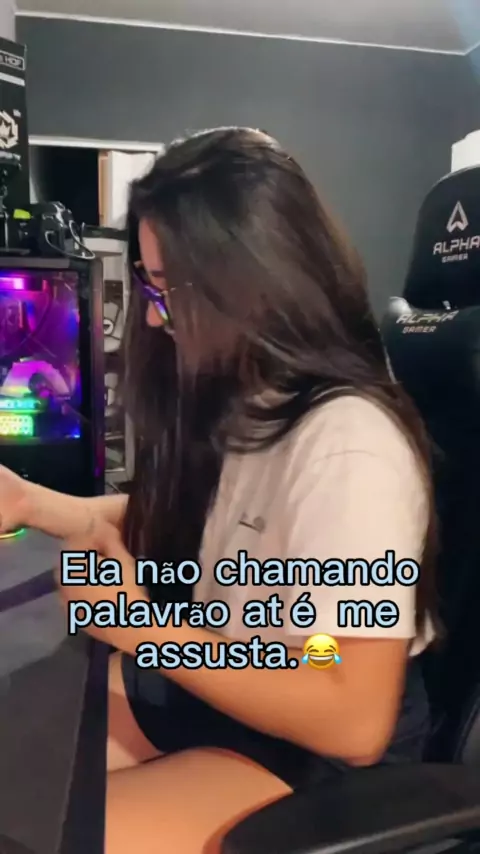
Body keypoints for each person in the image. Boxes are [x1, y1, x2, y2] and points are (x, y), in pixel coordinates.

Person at [0, 127, 438, 854]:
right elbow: (209, 520)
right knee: (21, 753)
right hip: (226, 677)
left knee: (38, 833)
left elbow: (354, 718)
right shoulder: (253, 394)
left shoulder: (349, 445)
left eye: (165, 290)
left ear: (251, 281)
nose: (152, 315)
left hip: (313, 742)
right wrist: (33, 504)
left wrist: (140, 626)